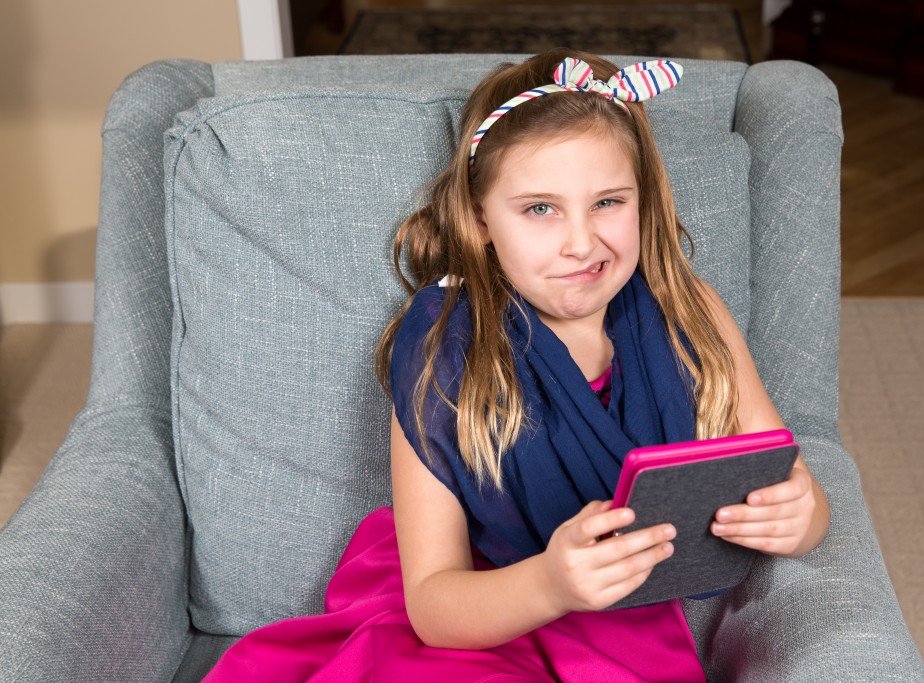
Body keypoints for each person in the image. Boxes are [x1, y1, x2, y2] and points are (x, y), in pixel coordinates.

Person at [203, 48, 831, 682]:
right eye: (540, 209)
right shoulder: (445, 348)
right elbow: (434, 606)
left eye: (608, 202)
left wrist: (801, 519)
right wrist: (552, 584)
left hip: (617, 627)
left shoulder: (690, 313)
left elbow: (789, 478)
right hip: (477, 617)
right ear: (480, 220)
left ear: (646, 198)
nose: (582, 242)